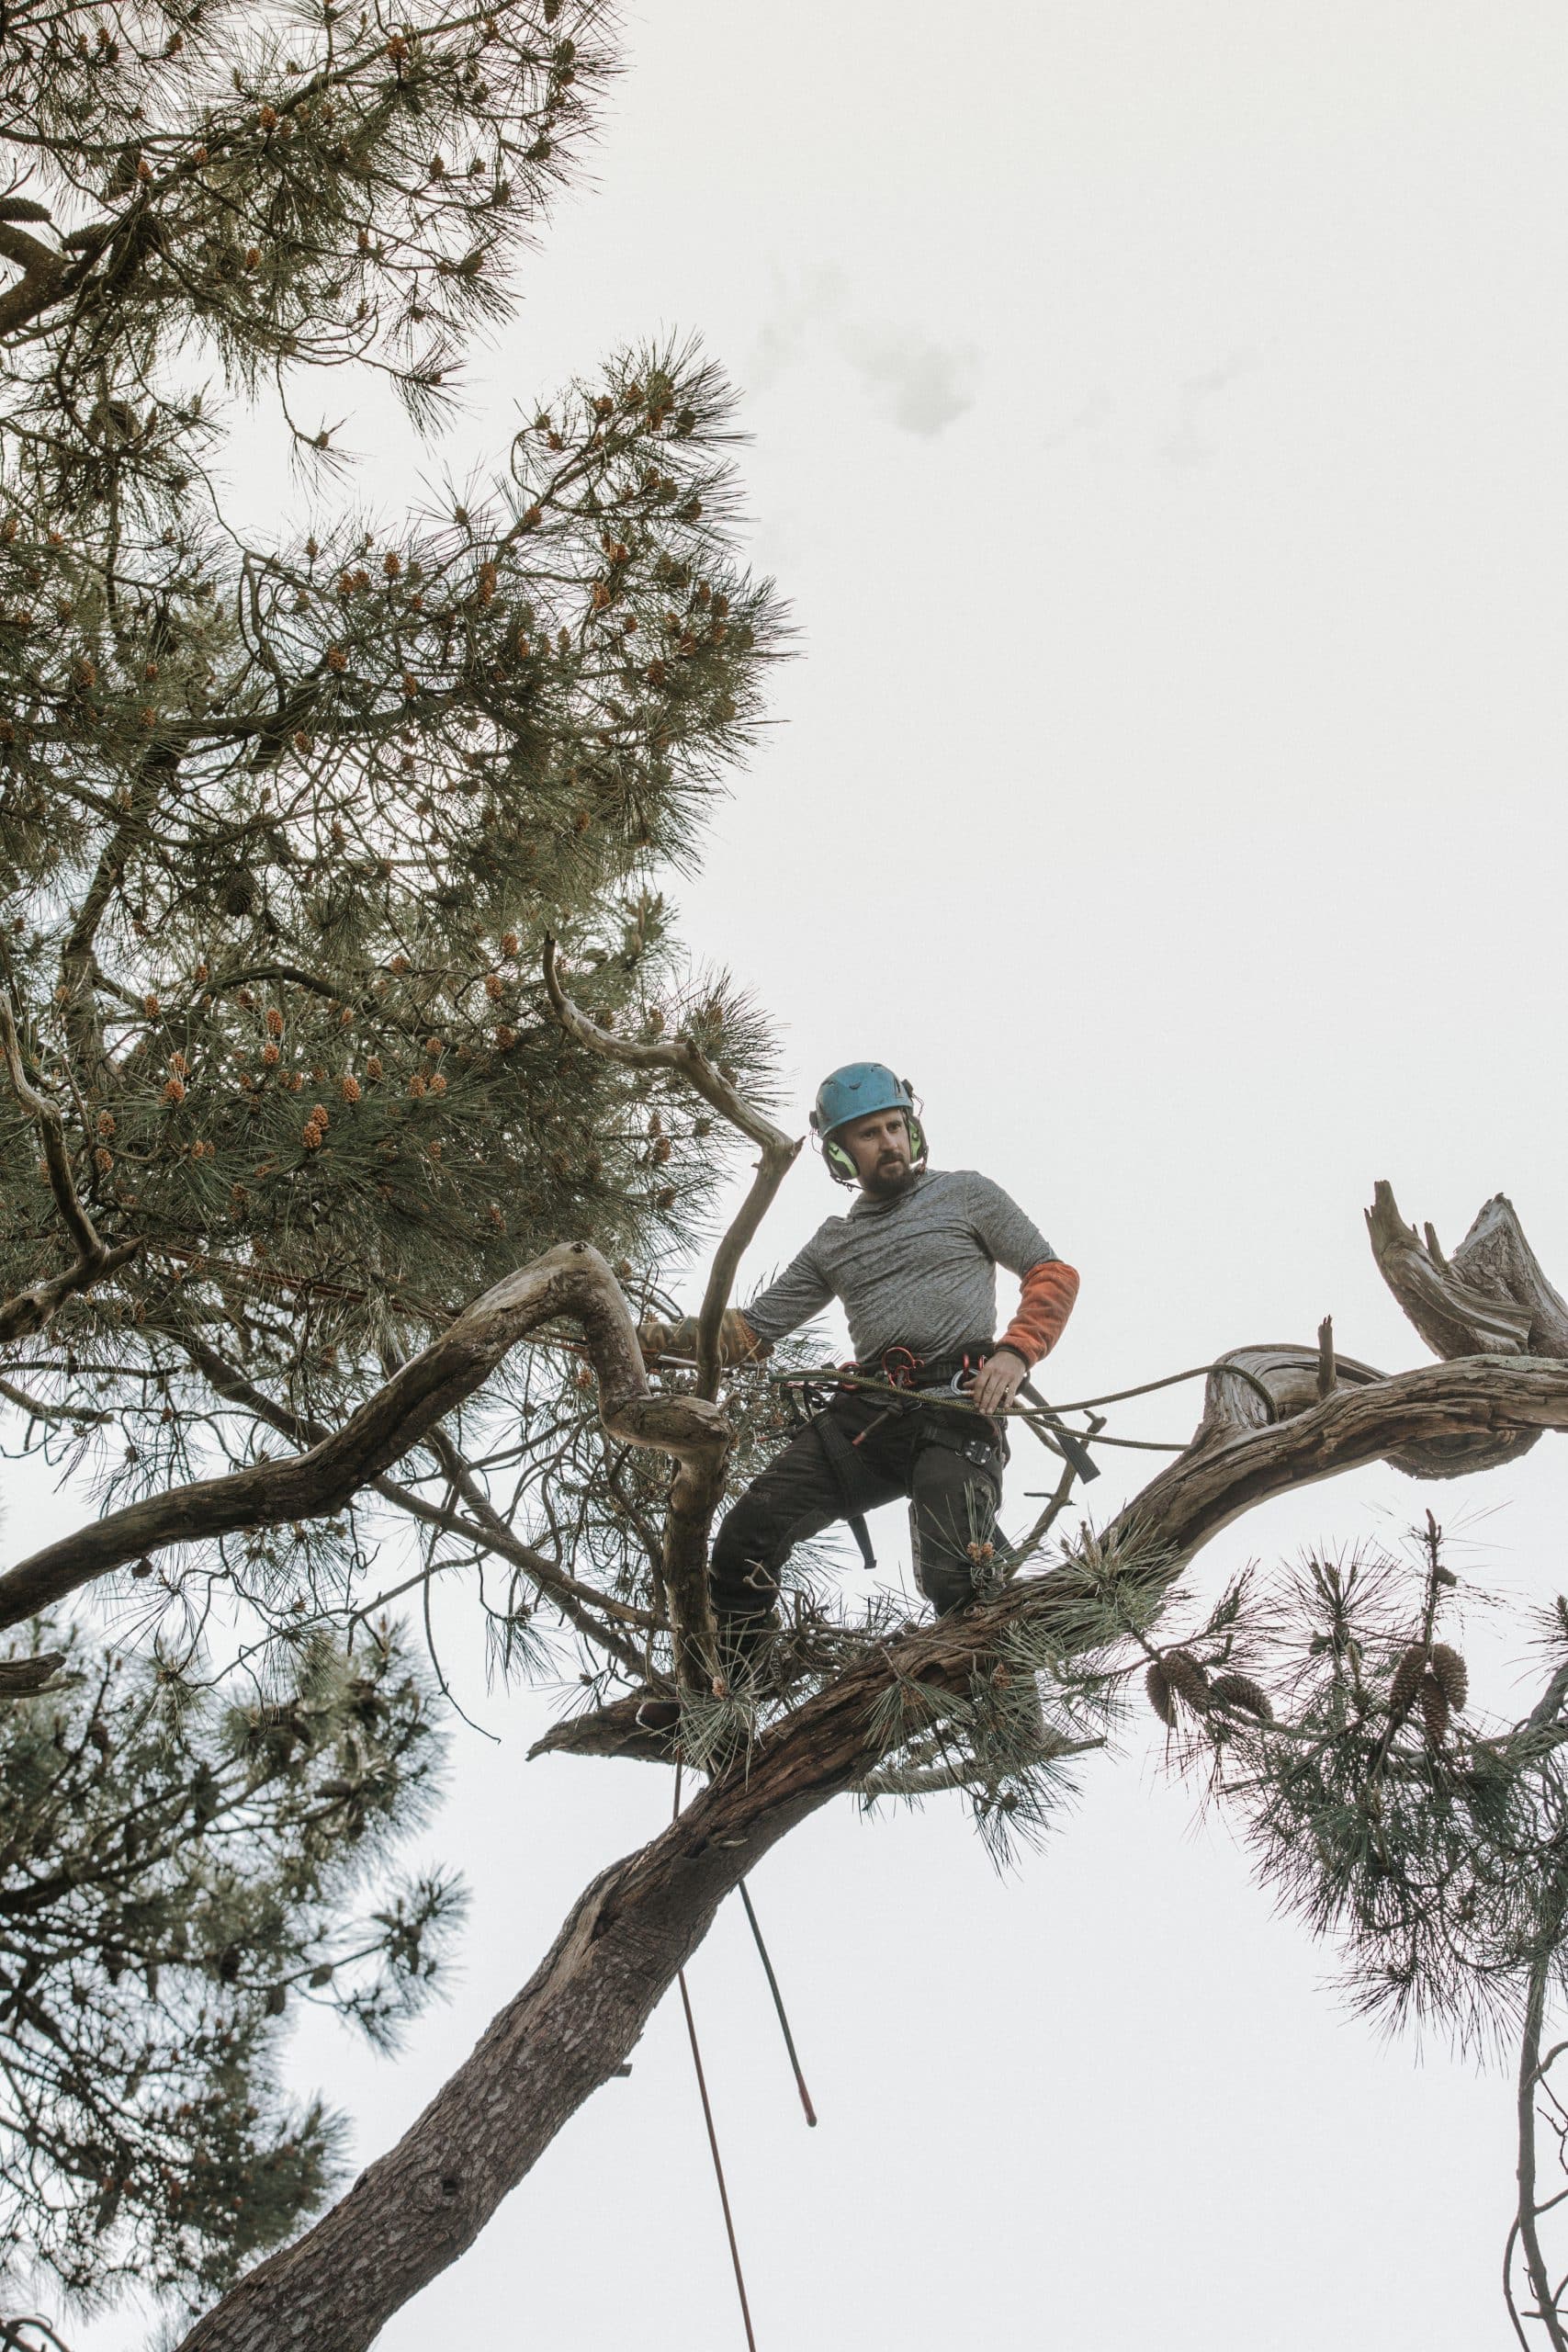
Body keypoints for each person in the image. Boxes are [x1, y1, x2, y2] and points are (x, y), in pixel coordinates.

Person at [641, 1062, 1078, 1662]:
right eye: (869, 1134)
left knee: (954, 1576)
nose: (889, 1142)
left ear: (913, 1130)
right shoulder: (834, 1243)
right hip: (867, 1419)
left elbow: (1051, 1273)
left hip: (956, 1406)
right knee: (746, 1535)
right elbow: (747, 1332)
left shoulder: (965, 1194)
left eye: (895, 1126)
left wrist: (1015, 1352)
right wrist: (641, 1341)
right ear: (840, 1154)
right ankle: (732, 1686)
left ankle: (999, 1683)